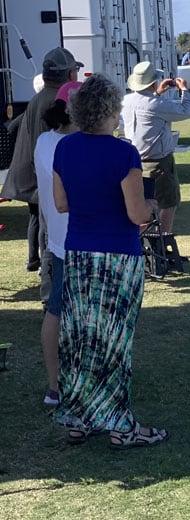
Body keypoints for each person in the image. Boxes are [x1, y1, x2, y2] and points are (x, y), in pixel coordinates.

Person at [52, 73, 168, 449]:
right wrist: (150, 206)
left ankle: (78, 418)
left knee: (79, 339)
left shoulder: (64, 149)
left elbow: (61, 203)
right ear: (110, 111)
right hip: (118, 257)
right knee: (114, 341)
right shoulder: (123, 153)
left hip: (78, 255)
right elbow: (136, 215)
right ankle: (120, 425)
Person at [0, 48, 83, 282]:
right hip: (45, 180)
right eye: (75, 70)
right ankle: (48, 278)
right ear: (69, 75)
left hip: (38, 179)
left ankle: (41, 268)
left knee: (40, 224)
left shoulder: (39, 97)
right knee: (49, 232)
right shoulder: (54, 100)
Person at [33, 80, 82, 406]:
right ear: (67, 109)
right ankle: (61, 385)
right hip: (74, 241)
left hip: (60, 240)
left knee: (58, 311)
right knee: (64, 311)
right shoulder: (70, 145)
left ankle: (60, 384)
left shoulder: (44, 142)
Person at [121, 61, 190, 234]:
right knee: (168, 203)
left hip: (133, 160)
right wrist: (184, 89)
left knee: (140, 205)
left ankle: (144, 244)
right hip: (158, 162)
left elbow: (146, 107)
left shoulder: (126, 101)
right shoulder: (156, 104)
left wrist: (158, 92)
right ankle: (163, 244)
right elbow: (187, 110)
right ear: (153, 82)